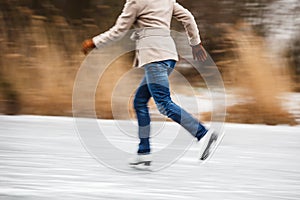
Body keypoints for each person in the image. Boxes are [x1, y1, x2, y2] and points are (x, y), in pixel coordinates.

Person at [82, 0, 217, 166]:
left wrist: (95, 42)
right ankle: (144, 151)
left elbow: (119, 30)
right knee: (139, 102)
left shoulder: (135, 2)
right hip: (168, 56)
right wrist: (195, 43)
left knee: (164, 104)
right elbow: (187, 17)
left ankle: (202, 134)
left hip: (155, 57)